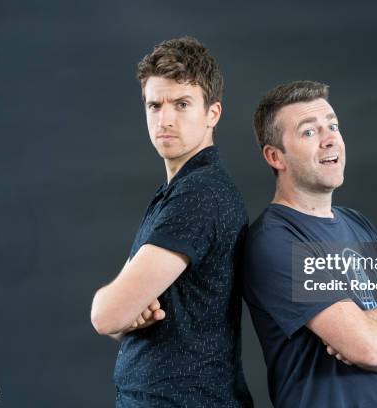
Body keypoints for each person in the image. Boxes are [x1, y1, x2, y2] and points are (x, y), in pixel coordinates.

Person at [243, 80, 377, 407]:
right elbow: (369, 349)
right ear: (275, 156)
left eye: (333, 126)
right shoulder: (276, 240)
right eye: (309, 132)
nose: (329, 140)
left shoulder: (357, 224)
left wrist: (371, 323)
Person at [90, 37, 253, 408]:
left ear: (213, 113)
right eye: (154, 105)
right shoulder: (177, 191)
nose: (165, 119)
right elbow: (120, 322)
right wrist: (129, 306)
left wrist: (122, 304)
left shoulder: (199, 195)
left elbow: (106, 315)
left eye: (182, 104)